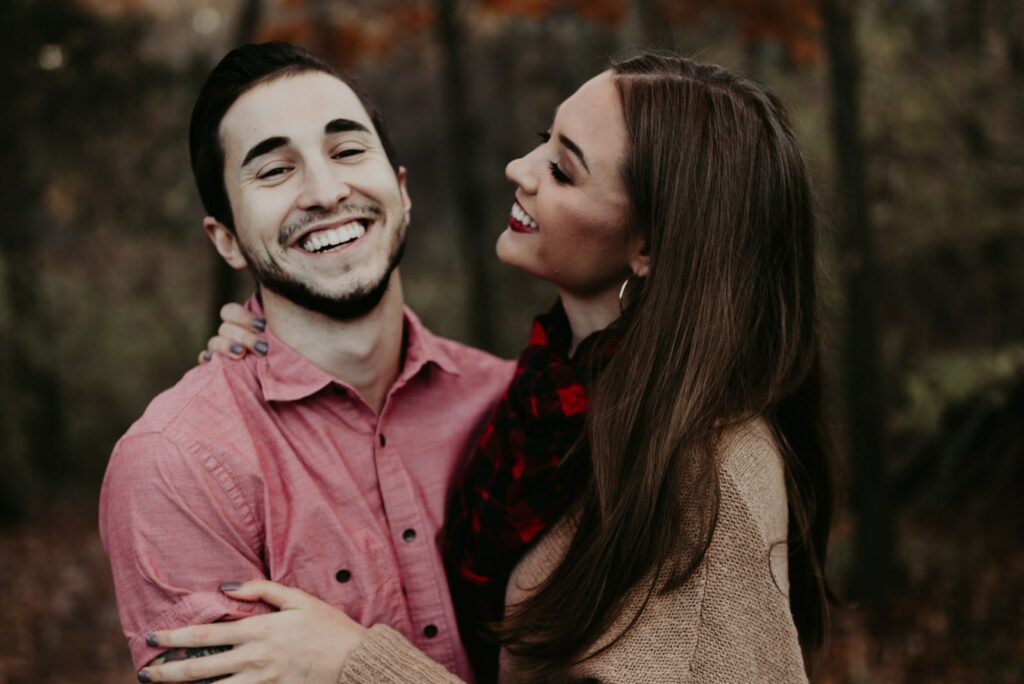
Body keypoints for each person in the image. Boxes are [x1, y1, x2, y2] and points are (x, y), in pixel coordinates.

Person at [140, 53, 834, 683]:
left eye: (562, 168)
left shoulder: (713, 469)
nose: (519, 170)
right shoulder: (538, 408)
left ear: (648, 245)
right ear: (225, 238)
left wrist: (355, 664)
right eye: (542, 141)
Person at [98, 42, 512, 681]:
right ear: (228, 239)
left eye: (348, 151)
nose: (325, 191)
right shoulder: (177, 462)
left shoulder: (512, 403)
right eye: (274, 171)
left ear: (401, 193)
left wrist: (353, 666)